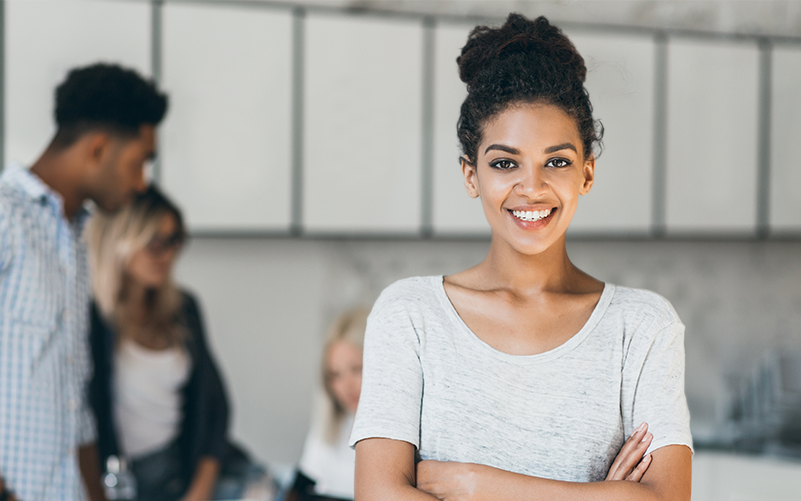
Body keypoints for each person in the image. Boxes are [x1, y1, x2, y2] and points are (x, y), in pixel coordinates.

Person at [351, 13, 692, 501]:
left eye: (557, 162)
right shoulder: (410, 316)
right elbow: (378, 496)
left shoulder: (643, 327)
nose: (531, 188)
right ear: (471, 175)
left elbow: (665, 499)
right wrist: (597, 495)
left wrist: (478, 484)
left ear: (587, 175)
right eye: (505, 163)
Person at [0, 63, 167, 501]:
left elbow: (73, 406)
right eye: (139, 162)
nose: (141, 182)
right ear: (98, 149)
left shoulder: (75, 238)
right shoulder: (5, 218)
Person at [86, 186, 267, 501]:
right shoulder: (93, 320)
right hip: (123, 479)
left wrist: (199, 491)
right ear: (121, 241)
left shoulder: (184, 309)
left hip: (182, 470)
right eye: (155, 243)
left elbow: (214, 409)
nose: (167, 254)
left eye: (175, 240)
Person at [288, 308, 369, 501]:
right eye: (335, 375)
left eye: (357, 369)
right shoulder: (330, 425)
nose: (346, 386)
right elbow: (300, 486)